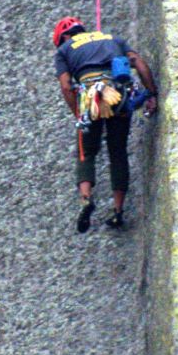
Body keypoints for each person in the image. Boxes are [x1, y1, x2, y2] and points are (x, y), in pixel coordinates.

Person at [51, 15, 159, 233]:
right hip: (117, 94)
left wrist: (79, 115)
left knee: (86, 152)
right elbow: (138, 62)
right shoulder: (113, 39)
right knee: (117, 151)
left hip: (91, 97)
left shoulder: (64, 50)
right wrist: (152, 93)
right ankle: (118, 211)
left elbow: (66, 86)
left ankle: (86, 198)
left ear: (65, 36)